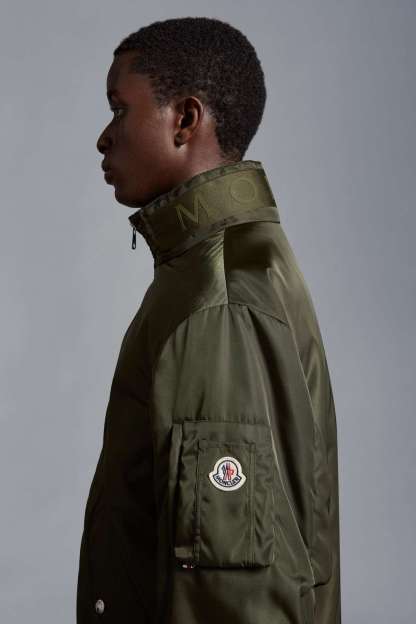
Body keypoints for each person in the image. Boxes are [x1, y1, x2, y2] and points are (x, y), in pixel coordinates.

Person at [76, 16, 342, 624]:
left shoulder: (216, 299)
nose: (103, 137)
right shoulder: (220, 266)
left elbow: (234, 596)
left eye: (119, 109)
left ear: (186, 119)